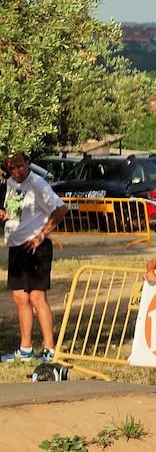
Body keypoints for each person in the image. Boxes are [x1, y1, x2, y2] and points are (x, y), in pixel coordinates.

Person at [1, 152, 68, 363]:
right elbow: (17, 211)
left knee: (37, 297)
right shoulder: (10, 184)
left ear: (28, 163)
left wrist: (42, 235)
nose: (17, 171)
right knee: (20, 298)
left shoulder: (37, 183)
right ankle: (26, 349)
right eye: (12, 167)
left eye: (20, 166)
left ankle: (49, 348)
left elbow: (61, 209)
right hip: (16, 246)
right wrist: (6, 215)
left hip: (36, 247)